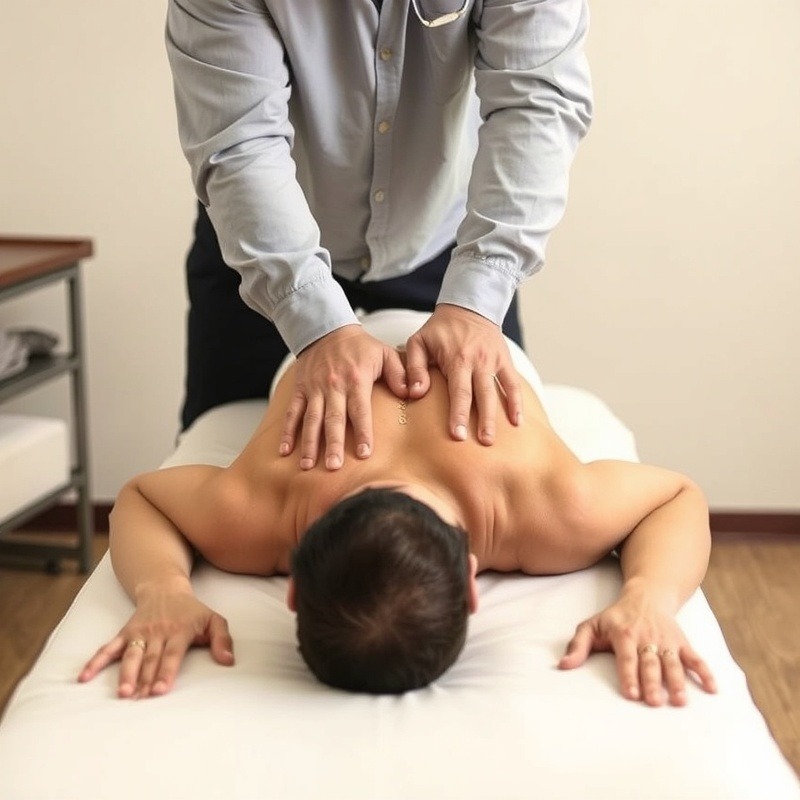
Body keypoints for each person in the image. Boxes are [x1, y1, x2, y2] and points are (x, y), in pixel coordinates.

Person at [79, 312, 717, 704]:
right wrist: (649, 597)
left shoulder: (547, 511)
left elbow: (139, 496)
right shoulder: (260, 513)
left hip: (353, 332)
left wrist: (163, 586)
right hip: (374, 329)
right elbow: (679, 494)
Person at [165, 0, 593, 472]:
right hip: (264, 251)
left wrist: (477, 299)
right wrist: (314, 323)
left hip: (444, 244)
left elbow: (538, 104)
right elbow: (240, 145)